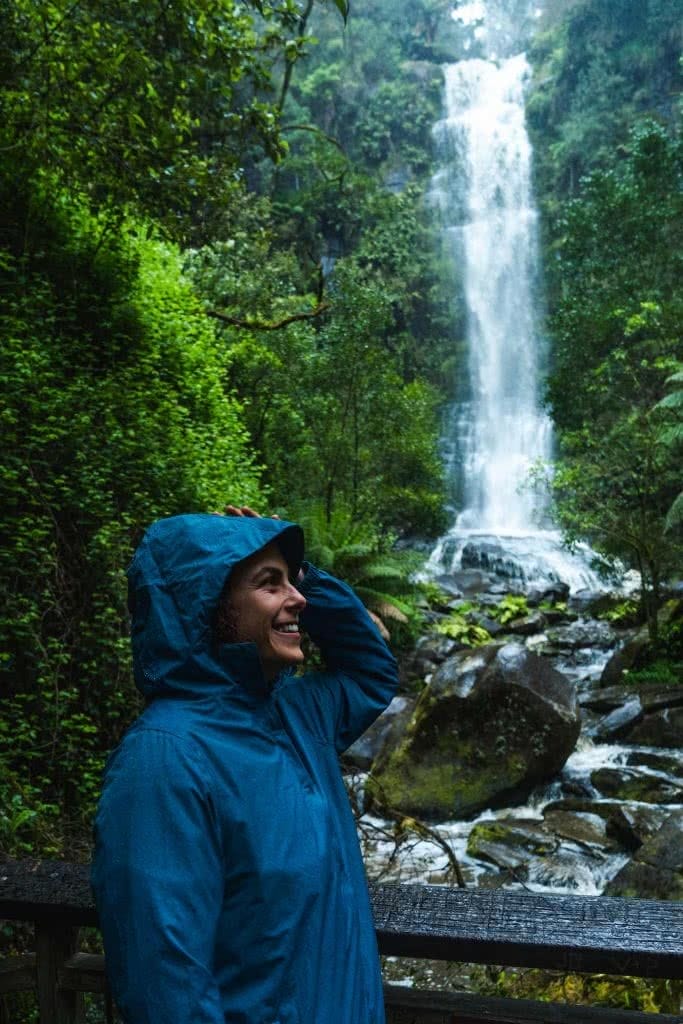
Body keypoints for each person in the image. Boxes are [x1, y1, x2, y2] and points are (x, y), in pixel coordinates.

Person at [91, 507, 398, 1024]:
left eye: (293, 582)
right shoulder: (163, 760)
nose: (298, 599)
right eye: (269, 584)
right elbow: (168, 985)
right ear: (207, 605)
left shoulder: (300, 713)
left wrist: (307, 579)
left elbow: (372, 672)